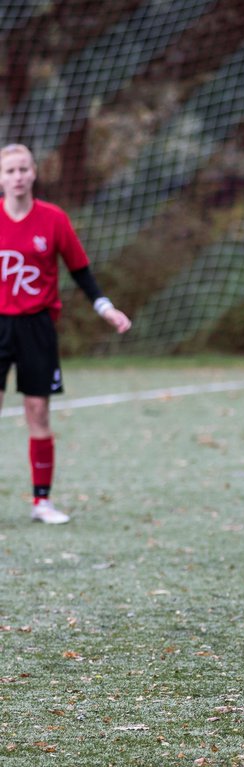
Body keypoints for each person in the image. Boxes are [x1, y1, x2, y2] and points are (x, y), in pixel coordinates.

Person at [1, 143, 131, 524]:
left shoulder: (54, 219)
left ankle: (42, 502)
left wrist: (106, 308)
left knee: (37, 411)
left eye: (23, 169)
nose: (18, 176)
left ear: (34, 172)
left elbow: (80, 271)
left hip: (37, 327)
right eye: (10, 171)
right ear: (2, 178)